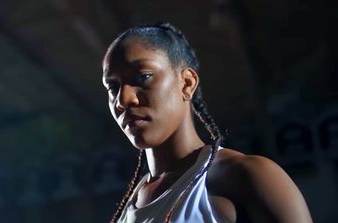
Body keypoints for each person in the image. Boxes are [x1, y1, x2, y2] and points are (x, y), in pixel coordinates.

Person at [101, 22, 312, 223]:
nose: (123, 100)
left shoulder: (246, 176)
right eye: (112, 87)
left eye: (143, 76)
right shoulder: (131, 202)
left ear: (186, 83)